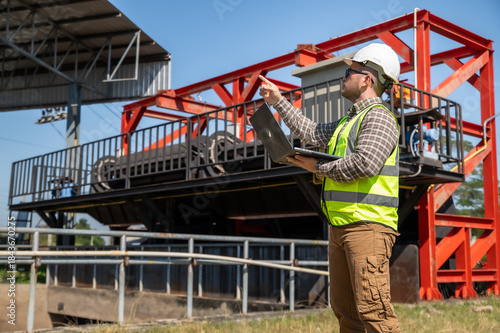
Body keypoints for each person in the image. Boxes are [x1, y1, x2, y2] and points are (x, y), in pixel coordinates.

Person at [258, 43, 402, 333]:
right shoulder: (348, 121)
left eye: (350, 71)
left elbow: (365, 164)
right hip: (341, 228)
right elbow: (310, 131)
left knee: (374, 314)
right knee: (346, 314)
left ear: (367, 79)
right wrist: (278, 101)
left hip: (368, 228)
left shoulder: (379, 117)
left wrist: (316, 168)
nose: (343, 77)